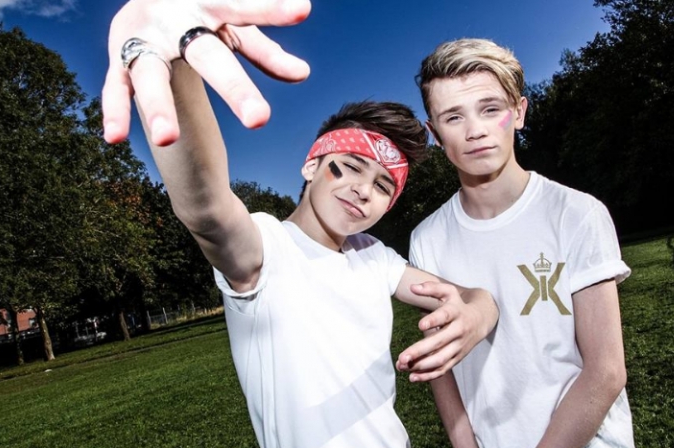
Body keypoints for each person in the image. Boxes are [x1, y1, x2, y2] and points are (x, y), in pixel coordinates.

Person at [103, 3, 499, 446]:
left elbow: (466, 296)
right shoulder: (266, 249)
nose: (362, 190)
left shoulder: (375, 257)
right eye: (350, 167)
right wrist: (173, 60)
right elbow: (207, 210)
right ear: (312, 164)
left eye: (382, 186)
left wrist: (480, 310)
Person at [410, 38, 635, 448]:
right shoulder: (427, 239)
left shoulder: (576, 213)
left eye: (490, 109)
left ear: (518, 112)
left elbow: (605, 372)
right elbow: (441, 365)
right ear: (435, 133)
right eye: (454, 117)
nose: (475, 130)